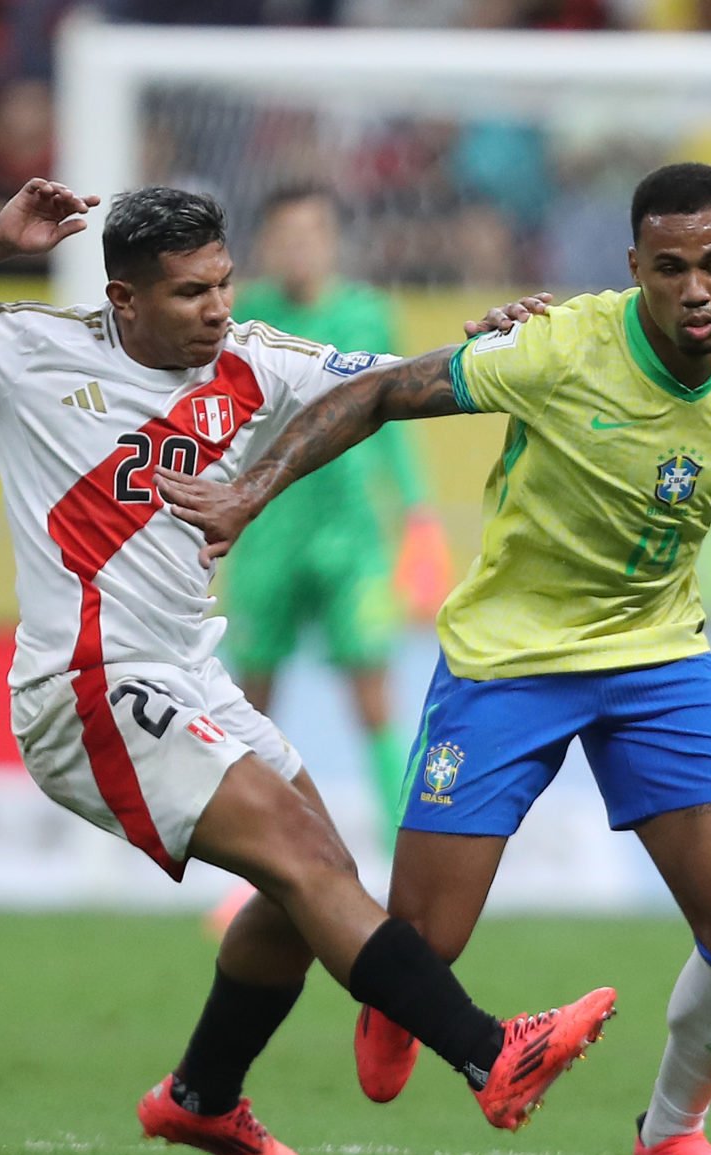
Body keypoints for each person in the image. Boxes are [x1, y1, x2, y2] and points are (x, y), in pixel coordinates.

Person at [0, 179, 616, 1155]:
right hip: (88, 682)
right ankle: (487, 1050)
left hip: (185, 671)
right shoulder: (29, 352)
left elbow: (400, 383)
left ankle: (202, 1098)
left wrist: (505, 341)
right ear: (123, 299)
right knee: (304, 859)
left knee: (310, 885)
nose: (217, 309)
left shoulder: (256, 358)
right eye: (189, 293)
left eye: (223, 282)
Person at [158, 162, 711, 1155]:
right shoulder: (559, 345)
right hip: (507, 658)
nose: (697, 290)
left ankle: (672, 1133)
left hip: (654, 655)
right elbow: (379, 391)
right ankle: (380, 1005)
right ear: (634, 268)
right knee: (421, 944)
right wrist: (247, 490)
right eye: (672, 268)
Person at [221, 186, 448, 841]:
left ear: (331, 241)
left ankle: (399, 835)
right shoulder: (245, 317)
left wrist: (418, 512)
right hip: (269, 525)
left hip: (351, 534)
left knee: (371, 688)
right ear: (265, 245)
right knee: (251, 693)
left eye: (311, 234)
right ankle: (244, 831)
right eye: (286, 236)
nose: (299, 248)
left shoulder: (368, 313)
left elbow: (399, 419)